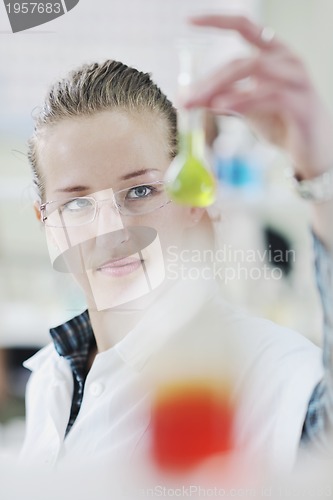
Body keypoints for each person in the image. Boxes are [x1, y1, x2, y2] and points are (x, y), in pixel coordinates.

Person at [19, 15, 332, 474]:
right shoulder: (52, 377)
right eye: (78, 204)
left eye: (141, 191)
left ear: (193, 200)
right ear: (47, 224)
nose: (113, 229)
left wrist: (321, 174)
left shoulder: (259, 366)